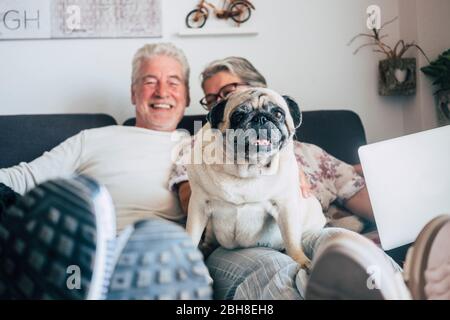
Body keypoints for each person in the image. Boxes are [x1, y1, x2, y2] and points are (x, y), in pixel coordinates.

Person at [169, 56, 450, 300]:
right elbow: (190, 200)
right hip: (236, 246)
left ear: (262, 88)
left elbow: (367, 201)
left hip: (310, 230)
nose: (223, 101)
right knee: (275, 270)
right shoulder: (198, 148)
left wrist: (417, 211)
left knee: (347, 245)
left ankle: (404, 288)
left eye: (230, 91)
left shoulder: (311, 153)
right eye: (213, 100)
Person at [0, 43, 212, 300]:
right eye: (150, 81)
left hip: (158, 256)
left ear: (187, 97)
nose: (162, 92)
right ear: (133, 94)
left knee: (162, 246)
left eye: (174, 82)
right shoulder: (92, 138)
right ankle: (77, 277)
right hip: (85, 246)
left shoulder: (201, 147)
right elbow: (22, 179)